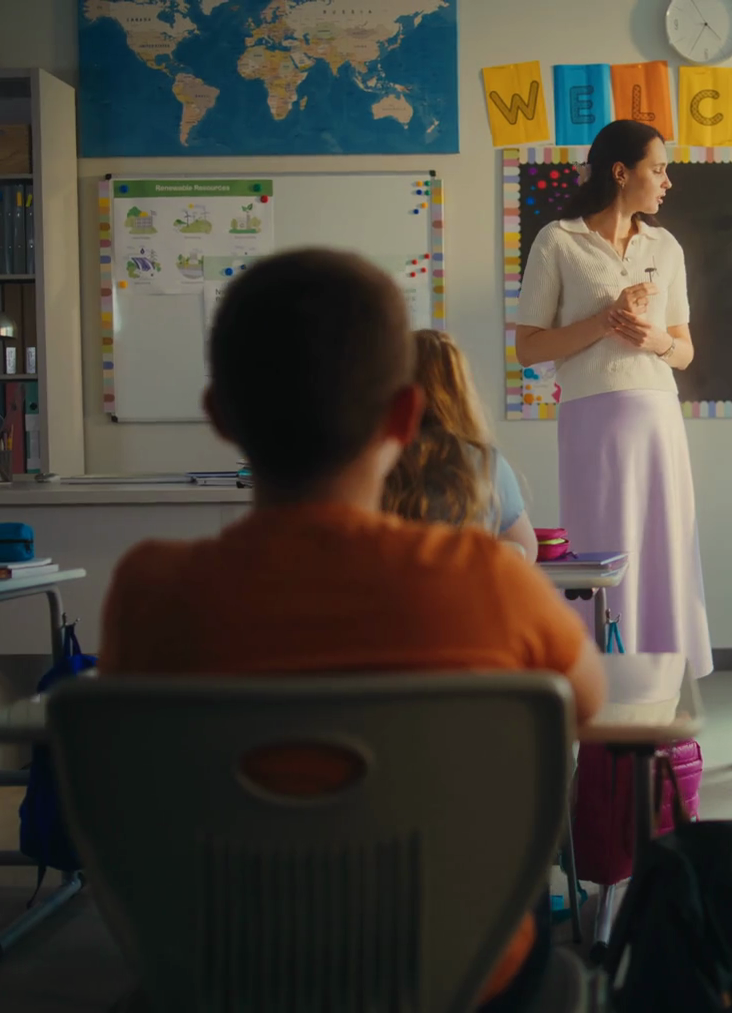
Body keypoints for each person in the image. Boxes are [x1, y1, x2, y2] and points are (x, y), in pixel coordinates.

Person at [99, 249, 606, 1012]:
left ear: (219, 416)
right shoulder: (490, 579)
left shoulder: (149, 593)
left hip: (231, 971)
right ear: (404, 418)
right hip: (459, 969)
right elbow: (590, 707)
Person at [514, 119, 712, 679]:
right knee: (602, 543)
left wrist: (655, 340)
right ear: (621, 173)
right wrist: (606, 320)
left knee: (665, 542)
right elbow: (528, 348)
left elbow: (684, 352)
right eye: (658, 169)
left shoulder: (665, 246)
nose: (668, 182)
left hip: (659, 415)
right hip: (592, 418)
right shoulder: (558, 240)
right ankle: (602, 675)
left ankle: (664, 675)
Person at [383, 328, 537, 559]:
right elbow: (525, 550)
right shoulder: (484, 462)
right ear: (461, 391)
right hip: (466, 581)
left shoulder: (381, 459)